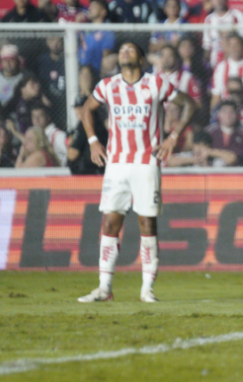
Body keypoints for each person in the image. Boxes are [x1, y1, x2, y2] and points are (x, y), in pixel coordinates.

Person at [78, 42, 198, 303]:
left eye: (131, 49)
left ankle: (147, 288)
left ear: (142, 59)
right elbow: (87, 108)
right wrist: (92, 141)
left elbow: (189, 103)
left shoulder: (155, 84)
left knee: (147, 223)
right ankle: (104, 287)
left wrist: (173, 136)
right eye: (122, 49)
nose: (124, 52)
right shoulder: (108, 85)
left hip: (146, 162)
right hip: (117, 164)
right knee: (110, 222)